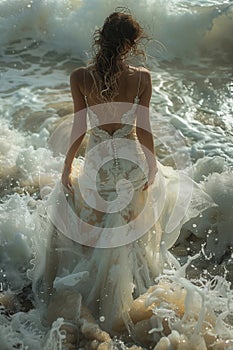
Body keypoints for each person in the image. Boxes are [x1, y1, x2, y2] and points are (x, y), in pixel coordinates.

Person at [40, 10, 213, 349]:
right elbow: (145, 129)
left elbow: (79, 128)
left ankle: (88, 297)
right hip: (130, 162)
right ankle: (134, 295)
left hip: (97, 166)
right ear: (131, 45)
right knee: (130, 230)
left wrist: (67, 166)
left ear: (100, 38)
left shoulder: (80, 77)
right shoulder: (142, 77)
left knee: (96, 226)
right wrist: (150, 163)